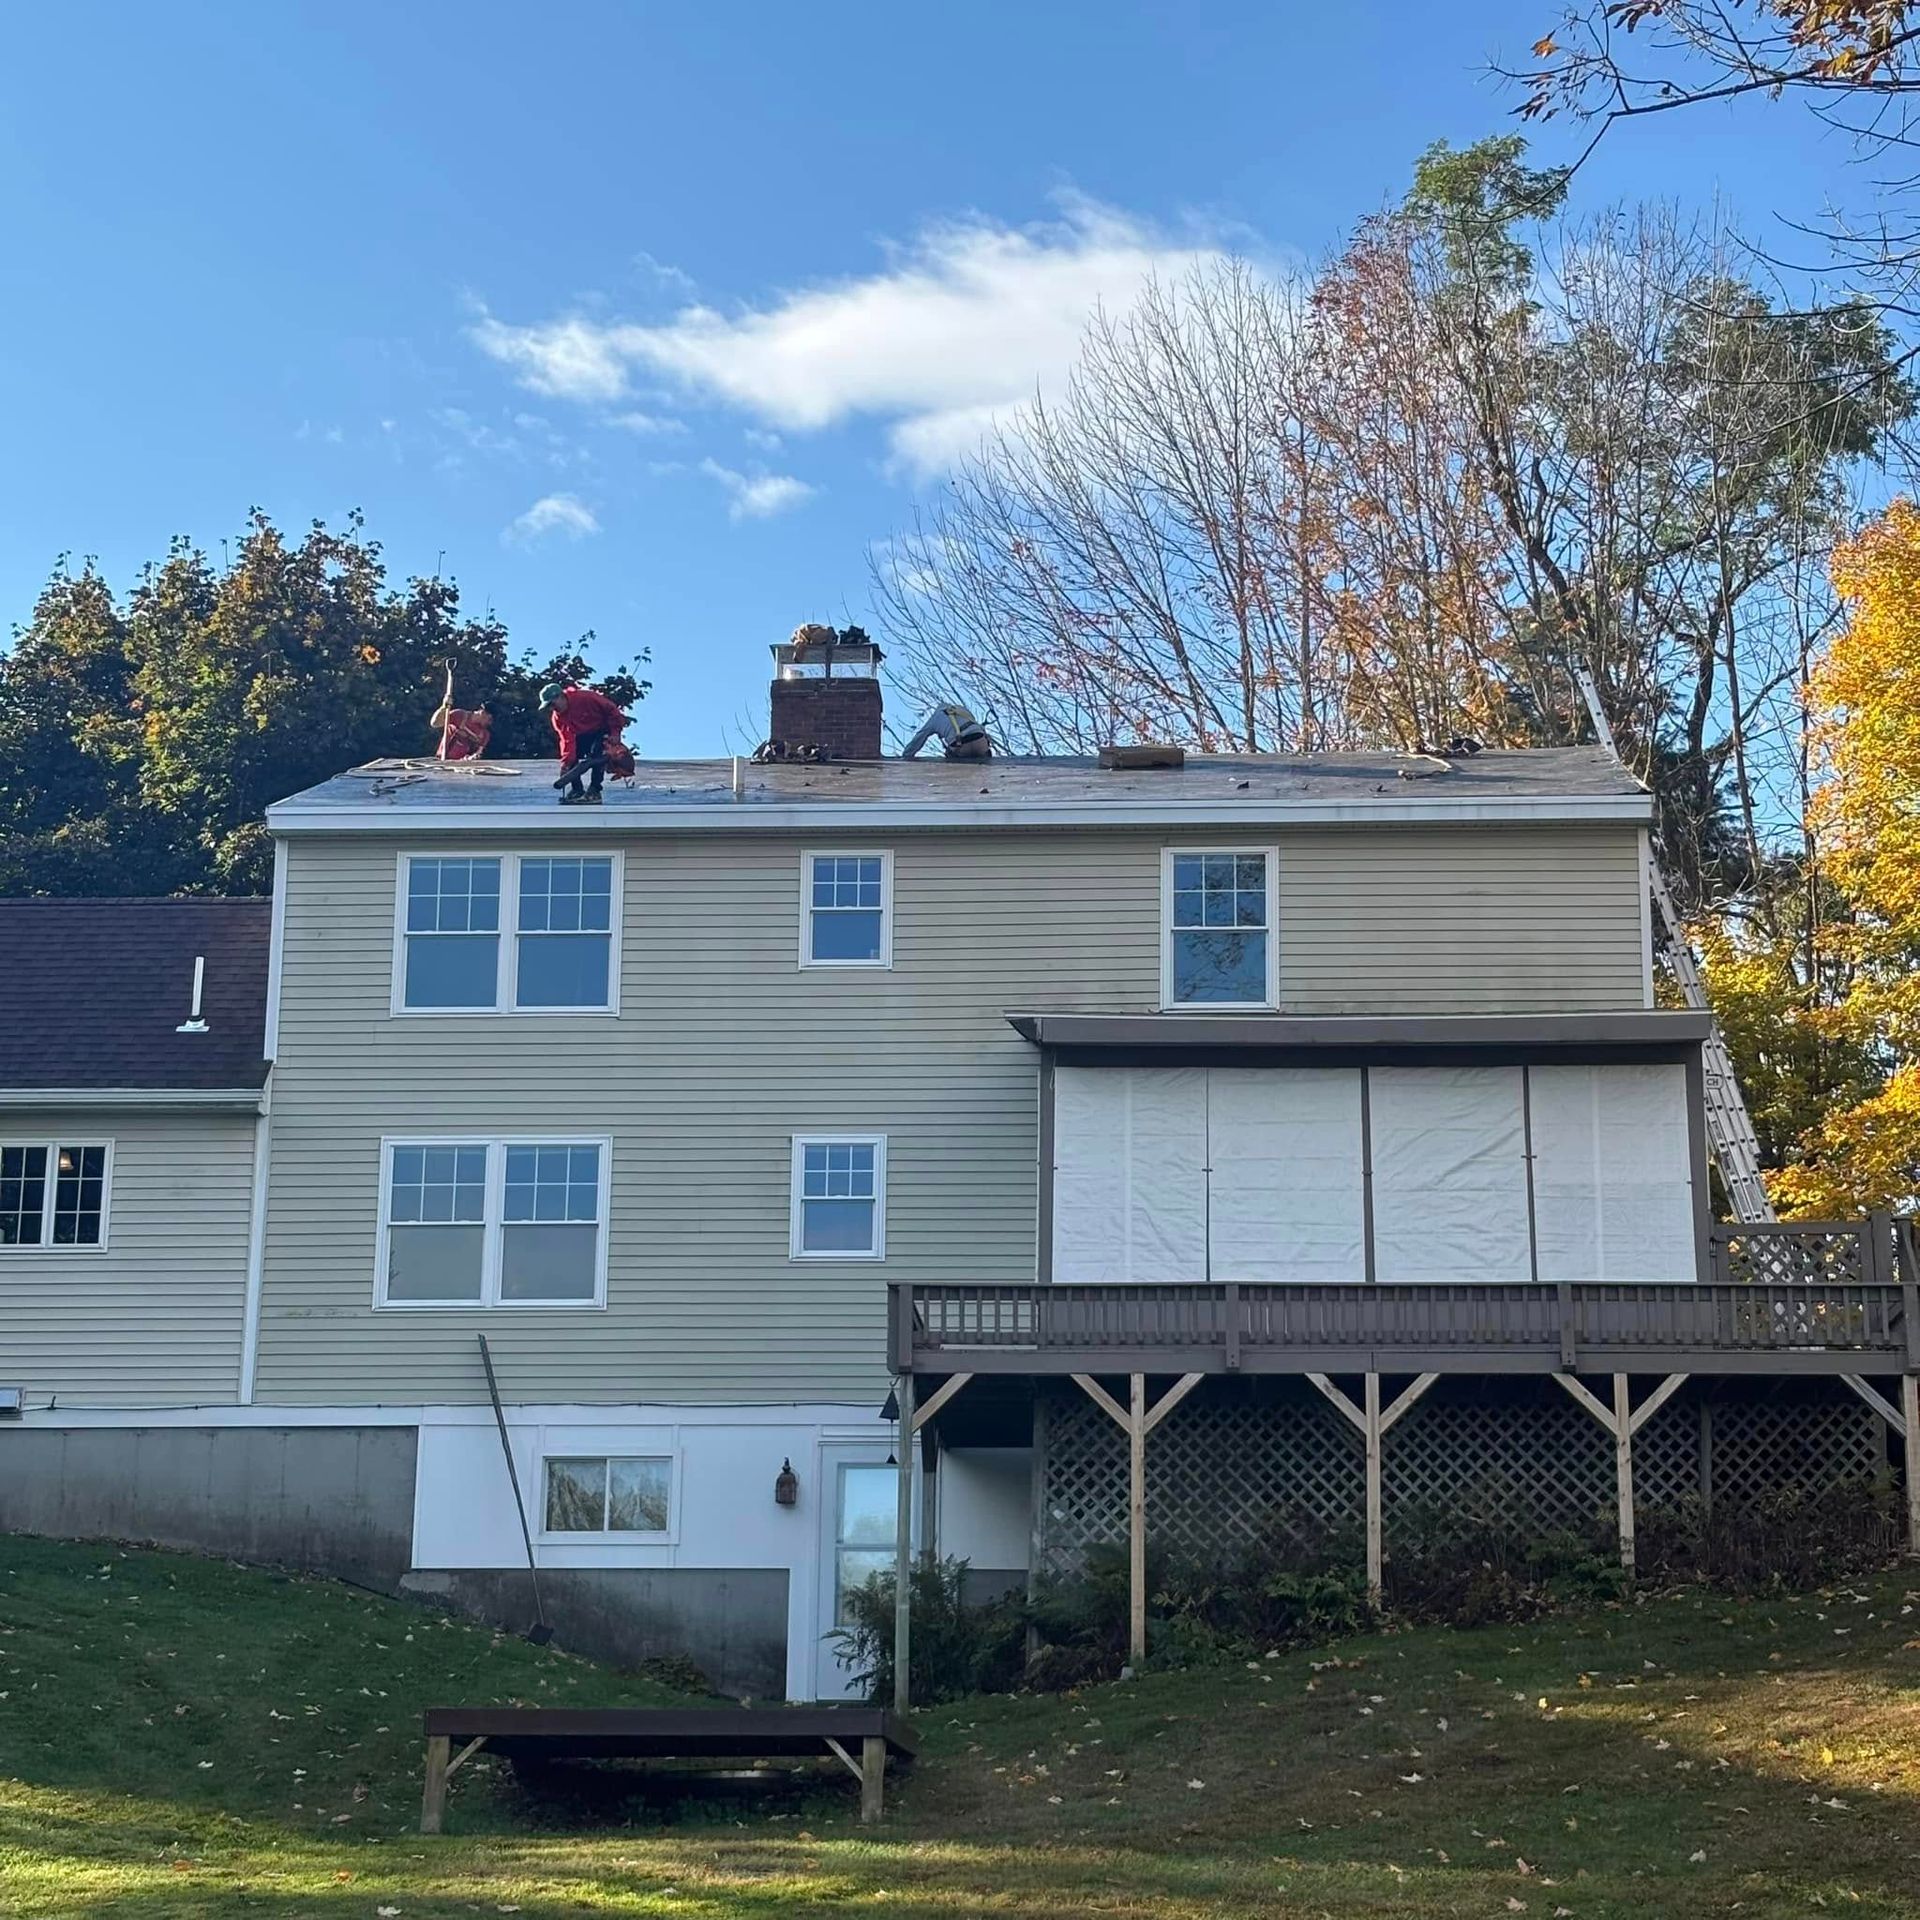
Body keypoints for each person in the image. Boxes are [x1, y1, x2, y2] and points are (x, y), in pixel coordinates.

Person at [540, 682, 630, 804]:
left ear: (561, 696)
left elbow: (612, 710)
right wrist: (566, 764)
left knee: (597, 755)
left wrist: (615, 733)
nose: (552, 708)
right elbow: (567, 741)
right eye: (549, 706)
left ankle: (594, 791)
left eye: (552, 704)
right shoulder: (558, 719)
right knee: (572, 758)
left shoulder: (586, 698)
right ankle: (577, 790)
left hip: (602, 731)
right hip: (583, 736)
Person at [429, 668, 493, 761]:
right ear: (483, 713)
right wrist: (444, 707)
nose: (489, 723)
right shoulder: (459, 715)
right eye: (489, 719)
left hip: (462, 767)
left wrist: (472, 758)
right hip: (442, 761)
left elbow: (478, 753)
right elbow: (435, 723)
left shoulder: (484, 735)